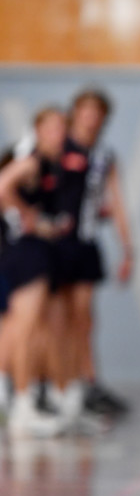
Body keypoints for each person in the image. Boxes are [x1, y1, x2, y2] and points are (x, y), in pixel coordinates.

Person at [48, 89, 133, 422]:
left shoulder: (105, 156)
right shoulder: (57, 146)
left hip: (84, 244)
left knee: (83, 318)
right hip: (54, 245)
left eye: (96, 113)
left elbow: (118, 204)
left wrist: (128, 250)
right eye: (85, 111)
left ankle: (85, 383)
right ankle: (56, 384)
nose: (90, 119)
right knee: (56, 319)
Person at [0, 106, 71, 436]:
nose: (59, 134)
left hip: (35, 252)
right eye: (52, 128)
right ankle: (23, 406)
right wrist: (30, 218)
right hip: (27, 254)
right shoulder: (32, 161)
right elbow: (2, 187)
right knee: (25, 331)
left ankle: (22, 401)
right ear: (39, 130)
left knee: (28, 328)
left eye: (62, 128)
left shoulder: (52, 165)